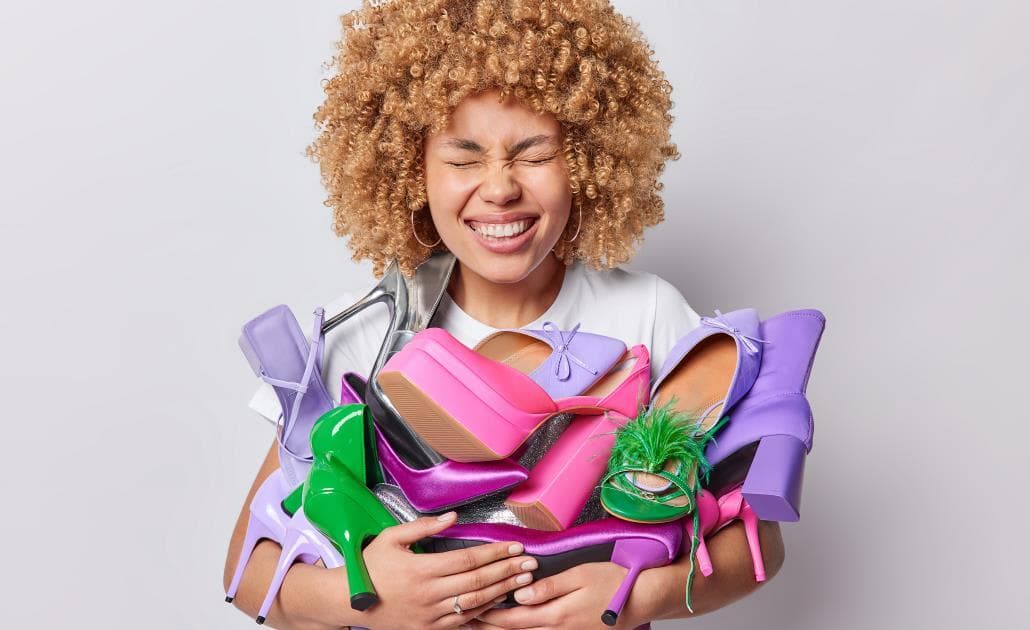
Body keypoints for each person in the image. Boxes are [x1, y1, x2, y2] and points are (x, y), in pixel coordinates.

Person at [223, 1, 784, 628]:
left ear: (588, 162)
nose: (499, 188)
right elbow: (245, 574)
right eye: (463, 158)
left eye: (535, 154)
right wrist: (370, 599)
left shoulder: (648, 313)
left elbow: (759, 548)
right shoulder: (364, 336)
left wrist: (639, 598)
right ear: (412, 171)